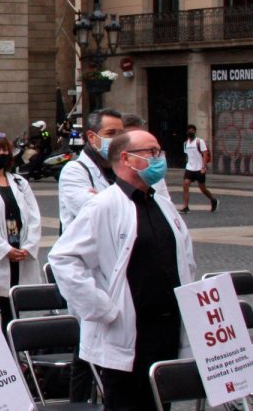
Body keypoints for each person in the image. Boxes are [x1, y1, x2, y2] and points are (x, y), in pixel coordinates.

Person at [49, 131, 195, 411]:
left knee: (160, 403)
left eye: (159, 150)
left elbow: (184, 259)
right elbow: (63, 258)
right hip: (127, 328)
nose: (159, 158)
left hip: (166, 327)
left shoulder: (163, 205)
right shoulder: (103, 205)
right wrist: (102, 308)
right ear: (127, 158)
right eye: (151, 152)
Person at [0, 134, 41, 326]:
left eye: (4, 150)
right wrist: (4, 249)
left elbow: (34, 215)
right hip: (0, 253)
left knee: (19, 302)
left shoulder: (20, 182)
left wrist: (29, 246)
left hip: (21, 250)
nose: (1, 153)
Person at [58, 107, 123, 230]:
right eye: (110, 133)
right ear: (92, 137)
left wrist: (102, 198)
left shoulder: (124, 169)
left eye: (121, 134)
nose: (118, 139)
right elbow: (95, 212)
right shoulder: (74, 171)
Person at [181, 123, 216, 213]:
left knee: (202, 188)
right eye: (189, 130)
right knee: (185, 184)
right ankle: (185, 206)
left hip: (199, 168)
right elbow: (188, 155)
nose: (190, 132)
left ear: (195, 131)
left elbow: (205, 154)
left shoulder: (199, 141)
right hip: (190, 167)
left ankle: (213, 200)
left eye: (192, 130)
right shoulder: (185, 143)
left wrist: (203, 166)